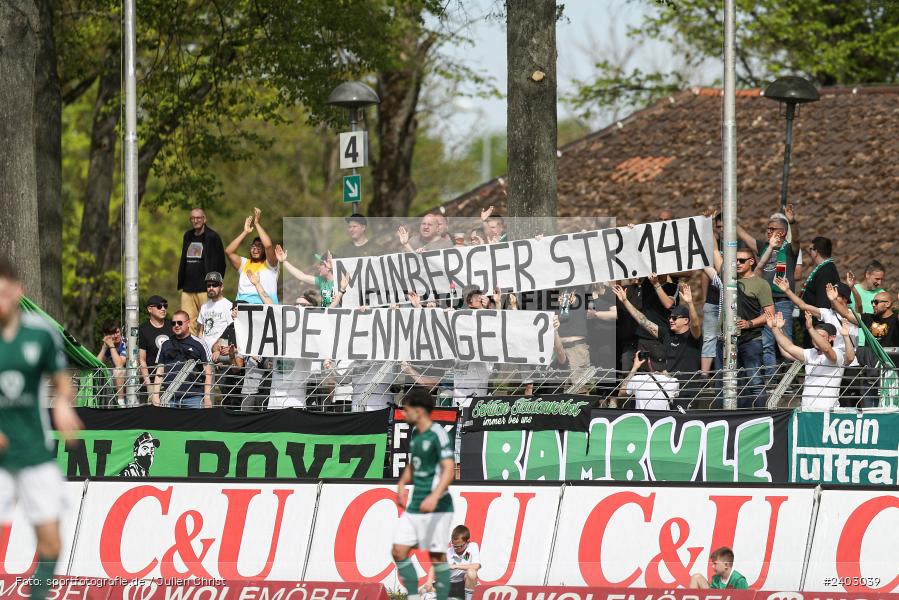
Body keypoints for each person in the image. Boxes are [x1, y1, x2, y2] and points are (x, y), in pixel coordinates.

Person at [0, 257, 82, 600]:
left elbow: (62, 381)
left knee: (51, 542)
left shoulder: (41, 332)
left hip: (35, 452)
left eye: (3, 293)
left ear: (18, 291)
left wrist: (62, 403)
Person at [393, 387, 455, 600]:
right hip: (416, 504)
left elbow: (449, 469)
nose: (403, 413)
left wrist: (435, 496)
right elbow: (414, 464)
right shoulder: (416, 433)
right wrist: (402, 484)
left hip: (438, 505)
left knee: (437, 557)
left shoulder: (437, 433)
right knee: (399, 551)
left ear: (418, 411)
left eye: (406, 409)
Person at [613, 282, 702, 408]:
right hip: (668, 389)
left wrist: (690, 303)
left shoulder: (693, 337)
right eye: (670, 317)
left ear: (686, 321)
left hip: (688, 392)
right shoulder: (666, 334)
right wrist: (625, 301)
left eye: (675, 318)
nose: (671, 320)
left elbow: (696, 325)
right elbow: (643, 321)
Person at [738, 206, 800, 370]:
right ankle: (771, 379)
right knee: (766, 343)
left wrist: (792, 221)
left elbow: (798, 239)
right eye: (767, 228)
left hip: (783, 301)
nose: (768, 231)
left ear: (783, 232)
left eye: (772, 229)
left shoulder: (790, 249)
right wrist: (729, 217)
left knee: (786, 341)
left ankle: (789, 381)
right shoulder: (764, 246)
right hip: (765, 301)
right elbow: (743, 235)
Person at [768, 311, 845, 409]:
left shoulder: (838, 352)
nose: (816, 340)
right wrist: (775, 329)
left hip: (827, 409)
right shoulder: (810, 352)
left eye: (821, 337)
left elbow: (826, 349)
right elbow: (788, 349)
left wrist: (810, 328)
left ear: (831, 338)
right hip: (806, 408)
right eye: (814, 336)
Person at [729, 247, 774, 408]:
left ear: (751, 261)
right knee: (734, 386)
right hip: (729, 341)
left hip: (751, 340)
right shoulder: (729, 279)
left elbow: (770, 314)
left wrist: (750, 323)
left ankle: (762, 417)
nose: (737, 263)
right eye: (735, 260)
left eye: (741, 260)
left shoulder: (760, 284)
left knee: (755, 382)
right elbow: (713, 256)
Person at [773, 278, 857, 363]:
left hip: (850, 360)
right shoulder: (827, 312)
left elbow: (860, 306)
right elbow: (803, 306)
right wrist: (787, 290)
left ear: (845, 298)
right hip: (830, 357)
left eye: (835, 295)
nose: (830, 296)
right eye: (830, 293)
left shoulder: (853, 315)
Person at [177, 208, 226, 334]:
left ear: (204, 219)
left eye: (198, 218)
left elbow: (221, 262)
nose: (196, 220)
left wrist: (215, 284)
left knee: (208, 321)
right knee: (187, 322)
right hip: (187, 288)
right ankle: (190, 350)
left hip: (205, 288)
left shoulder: (213, 237)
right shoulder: (187, 235)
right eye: (193, 218)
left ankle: (207, 350)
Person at [153, 310, 213, 408]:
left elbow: (208, 373)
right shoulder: (165, 344)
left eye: (180, 323)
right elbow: (159, 372)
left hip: (194, 397)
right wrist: (156, 396)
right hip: (169, 397)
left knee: (196, 424)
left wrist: (207, 397)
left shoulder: (200, 344)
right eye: (173, 323)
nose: (176, 325)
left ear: (188, 323)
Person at [225, 207, 280, 304]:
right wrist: (245, 232)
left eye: (259, 246)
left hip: (265, 308)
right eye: (253, 246)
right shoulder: (244, 263)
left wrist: (257, 224)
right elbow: (229, 251)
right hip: (242, 308)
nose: (255, 248)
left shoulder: (271, 264)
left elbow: (268, 245)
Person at [422, 524, 481, 600]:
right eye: (454, 545)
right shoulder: (448, 551)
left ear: (468, 541)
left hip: (462, 585)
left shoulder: (472, 546)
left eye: (459, 546)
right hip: (448, 584)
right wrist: (429, 581)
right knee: (423, 591)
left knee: (471, 573)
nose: (455, 548)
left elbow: (477, 566)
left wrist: (455, 566)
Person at [618, 345, 678, 410]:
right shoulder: (674, 382)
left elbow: (621, 393)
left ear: (649, 361)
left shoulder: (638, 380)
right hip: (663, 419)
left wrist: (634, 367)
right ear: (666, 362)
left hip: (644, 418)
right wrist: (664, 369)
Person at [139, 295, 174, 404]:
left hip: (172, 380)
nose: (163, 309)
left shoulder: (172, 325)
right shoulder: (143, 329)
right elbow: (142, 360)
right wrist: (149, 386)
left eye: (165, 306)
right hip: (153, 381)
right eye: (159, 306)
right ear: (150, 309)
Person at [800, 236, 840, 310]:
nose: (809, 253)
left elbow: (823, 306)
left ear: (816, 252)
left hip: (817, 319)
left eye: (810, 250)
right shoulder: (825, 268)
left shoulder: (826, 272)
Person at [196, 271, 233, 349]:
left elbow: (231, 330)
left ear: (221, 287)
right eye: (209, 285)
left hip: (220, 351)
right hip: (205, 351)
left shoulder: (228, 305)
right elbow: (200, 331)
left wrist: (218, 349)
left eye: (215, 285)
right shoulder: (204, 307)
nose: (211, 288)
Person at [96, 320, 127, 405]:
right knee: (98, 372)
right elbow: (96, 364)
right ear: (106, 335)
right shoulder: (110, 345)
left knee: (118, 370)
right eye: (112, 334)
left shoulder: (125, 342)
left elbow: (120, 364)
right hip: (119, 378)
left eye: (117, 332)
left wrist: (112, 346)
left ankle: (121, 402)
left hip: (132, 374)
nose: (116, 335)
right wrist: (104, 347)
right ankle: (99, 403)